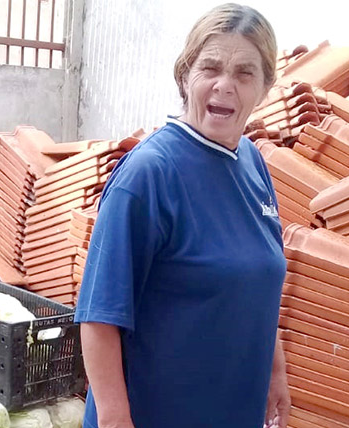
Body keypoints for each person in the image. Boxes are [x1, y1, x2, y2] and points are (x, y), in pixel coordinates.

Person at [74, 4, 289, 428]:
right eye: (210, 68)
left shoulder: (252, 162)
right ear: (185, 76)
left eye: (245, 73)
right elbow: (99, 315)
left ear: (265, 88)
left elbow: (260, 281)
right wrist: (115, 421)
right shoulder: (149, 174)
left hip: (232, 409)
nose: (225, 86)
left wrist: (276, 370)